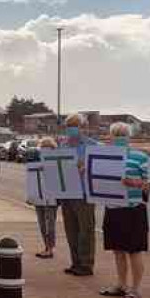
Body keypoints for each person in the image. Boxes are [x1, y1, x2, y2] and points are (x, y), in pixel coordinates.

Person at [99, 123, 149, 298]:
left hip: (133, 209)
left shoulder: (140, 157)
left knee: (134, 251)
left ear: (128, 136)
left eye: (122, 134)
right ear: (110, 136)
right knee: (118, 250)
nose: (118, 137)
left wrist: (134, 183)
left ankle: (135, 289)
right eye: (115, 134)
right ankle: (121, 284)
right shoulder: (104, 158)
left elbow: (149, 184)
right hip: (113, 208)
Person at [60, 113, 98, 276]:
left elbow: (101, 167)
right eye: (69, 126)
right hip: (67, 193)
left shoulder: (93, 146)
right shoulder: (63, 146)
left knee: (86, 230)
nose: (71, 129)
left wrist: (86, 167)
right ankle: (75, 262)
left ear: (83, 128)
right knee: (71, 230)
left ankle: (86, 263)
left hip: (84, 193)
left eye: (75, 126)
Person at [32, 136, 59, 259]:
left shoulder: (57, 163)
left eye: (47, 149)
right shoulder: (36, 162)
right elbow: (31, 181)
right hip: (39, 197)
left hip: (51, 198)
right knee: (42, 224)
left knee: (50, 224)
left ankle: (50, 248)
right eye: (43, 149)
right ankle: (46, 246)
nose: (45, 151)